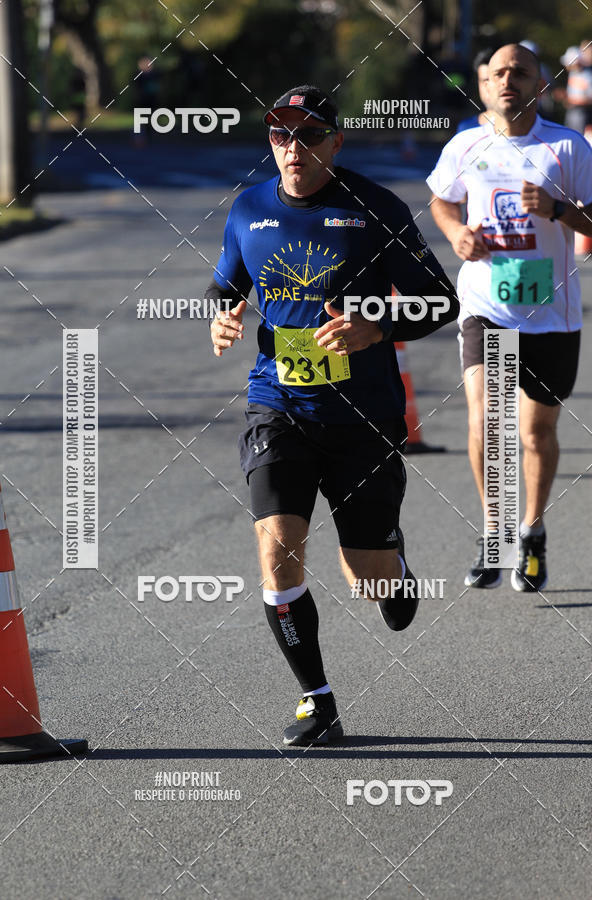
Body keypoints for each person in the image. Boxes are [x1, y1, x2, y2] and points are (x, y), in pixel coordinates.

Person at [207, 85, 458, 746]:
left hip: (364, 418)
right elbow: (228, 280)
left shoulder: (376, 208)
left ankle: (392, 566)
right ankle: (317, 701)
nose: (294, 148)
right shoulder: (248, 208)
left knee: (366, 576)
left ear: (334, 144)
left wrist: (375, 326)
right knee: (277, 547)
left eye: (309, 136)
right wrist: (223, 312)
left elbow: (440, 301)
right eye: (281, 134)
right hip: (278, 404)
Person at [427, 44, 592, 593]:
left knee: (535, 432)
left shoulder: (566, 147)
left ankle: (533, 530)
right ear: (481, 83)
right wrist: (456, 234)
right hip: (487, 310)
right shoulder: (466, 145)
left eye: (519, 73)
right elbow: (442, 200)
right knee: (485, 425)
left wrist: (558, 210)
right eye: (498, 73)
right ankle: (494, 534)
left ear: (540, 84)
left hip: (551, 316)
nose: (508, 81)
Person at [456, 48, 495, 133]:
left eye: (494, 79)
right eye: (484, 80)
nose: (488, 87)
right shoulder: (465, 129)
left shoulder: (528, 130)